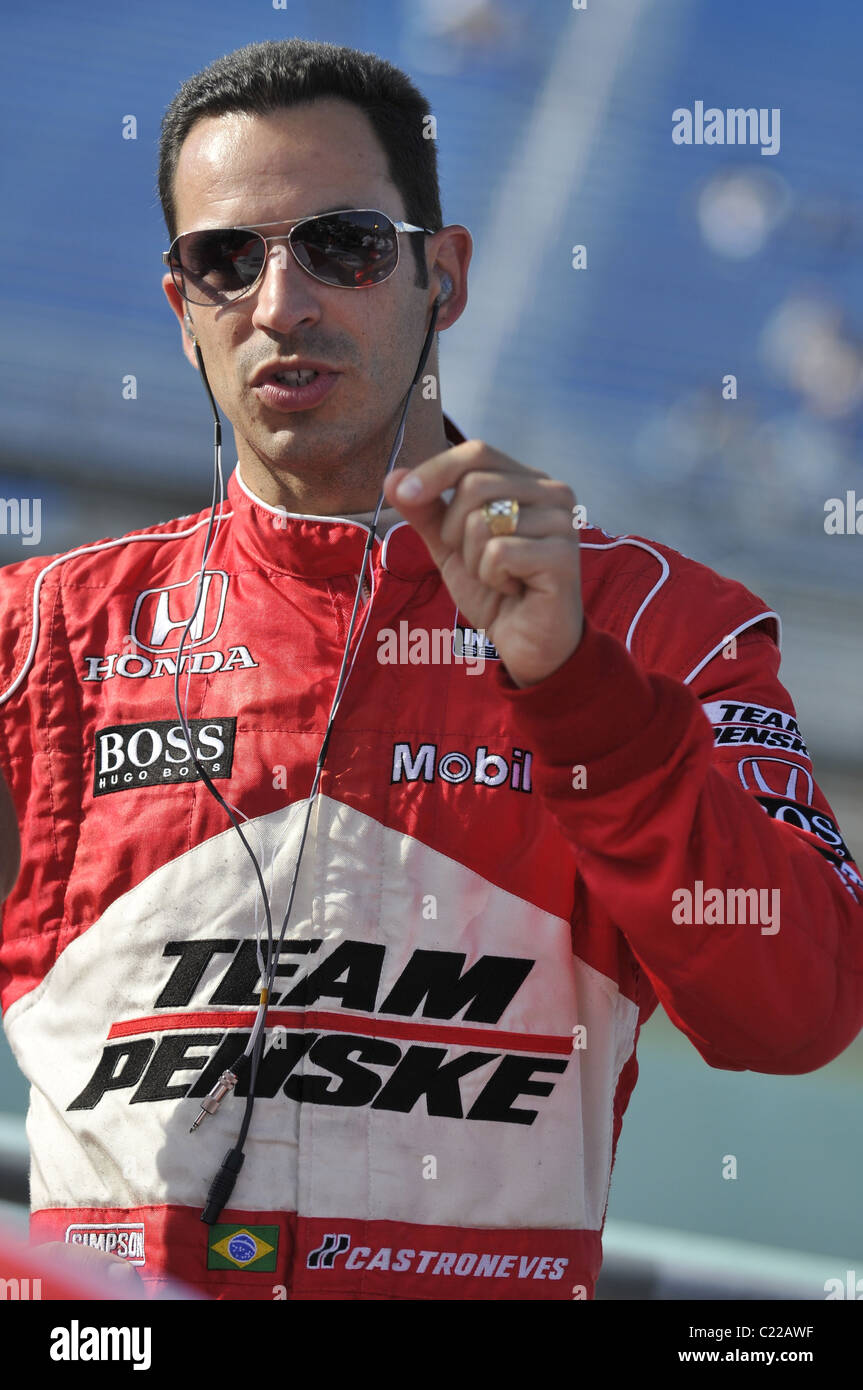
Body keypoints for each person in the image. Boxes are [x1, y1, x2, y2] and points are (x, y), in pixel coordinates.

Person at [0, 37, 861, 1303]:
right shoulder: (46, 634)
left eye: (341, 245)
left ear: (441, 277)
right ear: (181, 313)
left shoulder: (663, 624)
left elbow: (793, 1013)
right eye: (225, 260)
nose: (281, 304)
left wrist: (580, 696)